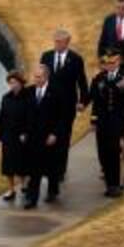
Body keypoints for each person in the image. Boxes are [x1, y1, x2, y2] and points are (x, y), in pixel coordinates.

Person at [40, 28, 89, 179]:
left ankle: (59, 170)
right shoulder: (46, 56)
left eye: (60, 42)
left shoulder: (75, 59)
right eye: (55, 41)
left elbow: (82, 82)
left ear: (67, 43)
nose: (56, 44)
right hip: (48, 104)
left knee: (63, 136)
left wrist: (83, 101)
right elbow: (41, 78)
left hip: (67, 106)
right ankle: (48, 166)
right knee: (48, 135)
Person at [90, 48, 124, 197]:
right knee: (102, 152)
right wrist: (93, 119)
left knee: (113, 151)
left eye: (113, 62)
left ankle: (115, 185)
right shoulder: (99, 78)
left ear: (118, 62)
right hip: (102, 120)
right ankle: (109, 182)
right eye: (107, 63)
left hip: (118, 120)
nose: (110, 65)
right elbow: (95, 100)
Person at [23, 64, 69, 208]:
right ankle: (32, 198)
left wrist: (55, 134)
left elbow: (63, 117)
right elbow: (24, 115)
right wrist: (23, 132)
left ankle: (52, 190)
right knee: (33, 168)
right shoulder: (29, 92)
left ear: (46, 77)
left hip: (50, 136)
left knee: (51, 167)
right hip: (33, 137)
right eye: (35, 77)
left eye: (39, 77)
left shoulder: (57, 92)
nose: (36, 79)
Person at [0, 70, 30, 202]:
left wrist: (26, 132)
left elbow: (30, 117)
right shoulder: (6, 98)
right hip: (8, 135)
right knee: (8, 164)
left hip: (22, 135)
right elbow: (1, 117)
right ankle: (11, 189)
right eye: (10, 83)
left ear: (20, 83)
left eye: (14, 82)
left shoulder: (28, 96)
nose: (12, 85)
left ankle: (24, 185)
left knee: (22, 162)